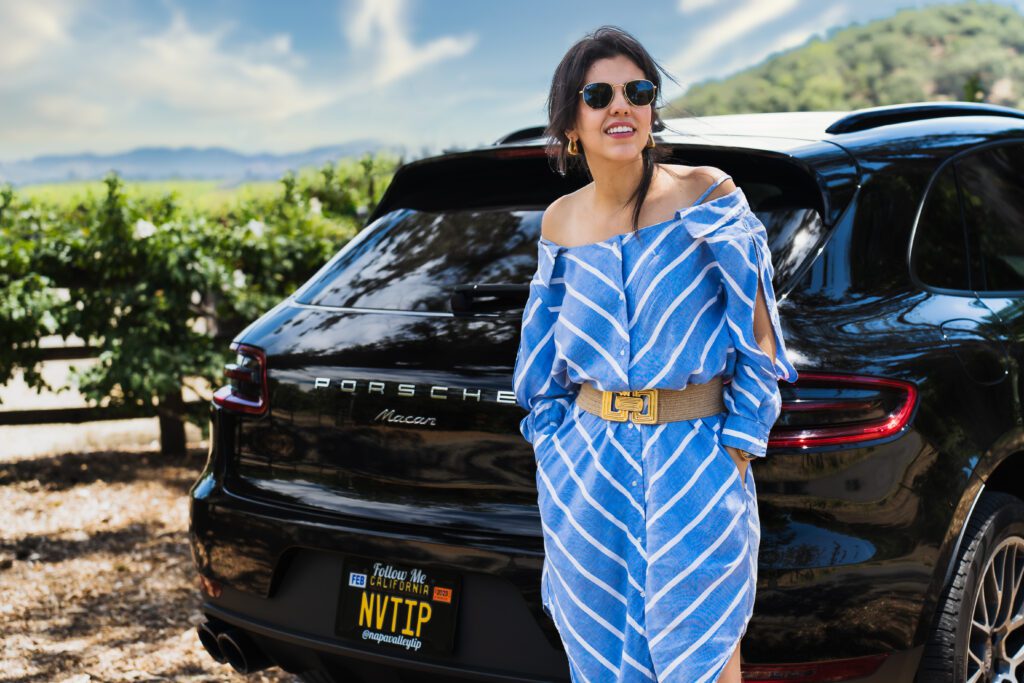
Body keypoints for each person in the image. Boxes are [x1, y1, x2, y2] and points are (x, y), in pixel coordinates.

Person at [512, 25, 799, 683]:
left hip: (694, 457)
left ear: (651, 109)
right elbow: (541, 360)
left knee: (705, 650)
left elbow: (758, 332)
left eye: (637, 91)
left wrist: (738, 442)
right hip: (588, 473)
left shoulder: (705, 192)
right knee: (605, 660)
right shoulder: (560, 221)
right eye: (599, 94)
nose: (622, 105)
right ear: (571, 121)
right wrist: (555, 448)